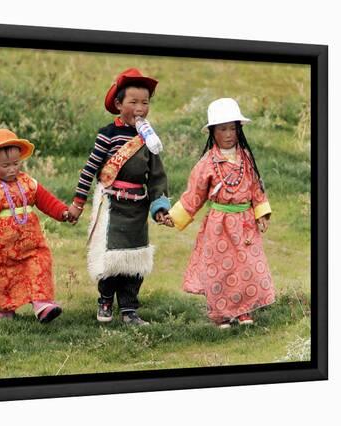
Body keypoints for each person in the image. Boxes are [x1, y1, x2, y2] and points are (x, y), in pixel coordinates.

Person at [67, 68, 173, 326]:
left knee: (135, 259)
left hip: (138, 207)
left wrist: (159, 206)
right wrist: (77, 203)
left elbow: (157, 175)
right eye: (133, 102)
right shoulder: (108, 134)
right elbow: (90, 169)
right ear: (118, 104)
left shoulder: (148, 138)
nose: (140, 107)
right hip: (112, 206)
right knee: (111, 258)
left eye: (145, 102)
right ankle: (105, 299)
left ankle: (129, 309)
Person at [169, 98, 275, 329]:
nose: (228, 134)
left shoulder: (246, 159)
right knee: (221, 269)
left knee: (246, 266)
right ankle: (221, 314)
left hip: (245, 224)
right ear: (212, 132)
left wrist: (261, 212)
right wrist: (175, 216)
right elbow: (194, 193)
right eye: (222, 129)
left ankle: (243, 310)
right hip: (219, 225)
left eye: (232, 128)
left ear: (239, 129)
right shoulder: (208, 163)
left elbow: (256, 187)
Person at [0, 129, 70, 323]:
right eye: (5, 165)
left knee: (39, 266)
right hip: (0, 249)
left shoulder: (28, 183)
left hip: (31, 244)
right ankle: (3, 311)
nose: (12, 169)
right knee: (1, 279)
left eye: (16, 163)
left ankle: (42, 304)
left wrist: (63, 213)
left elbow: (46, 201)